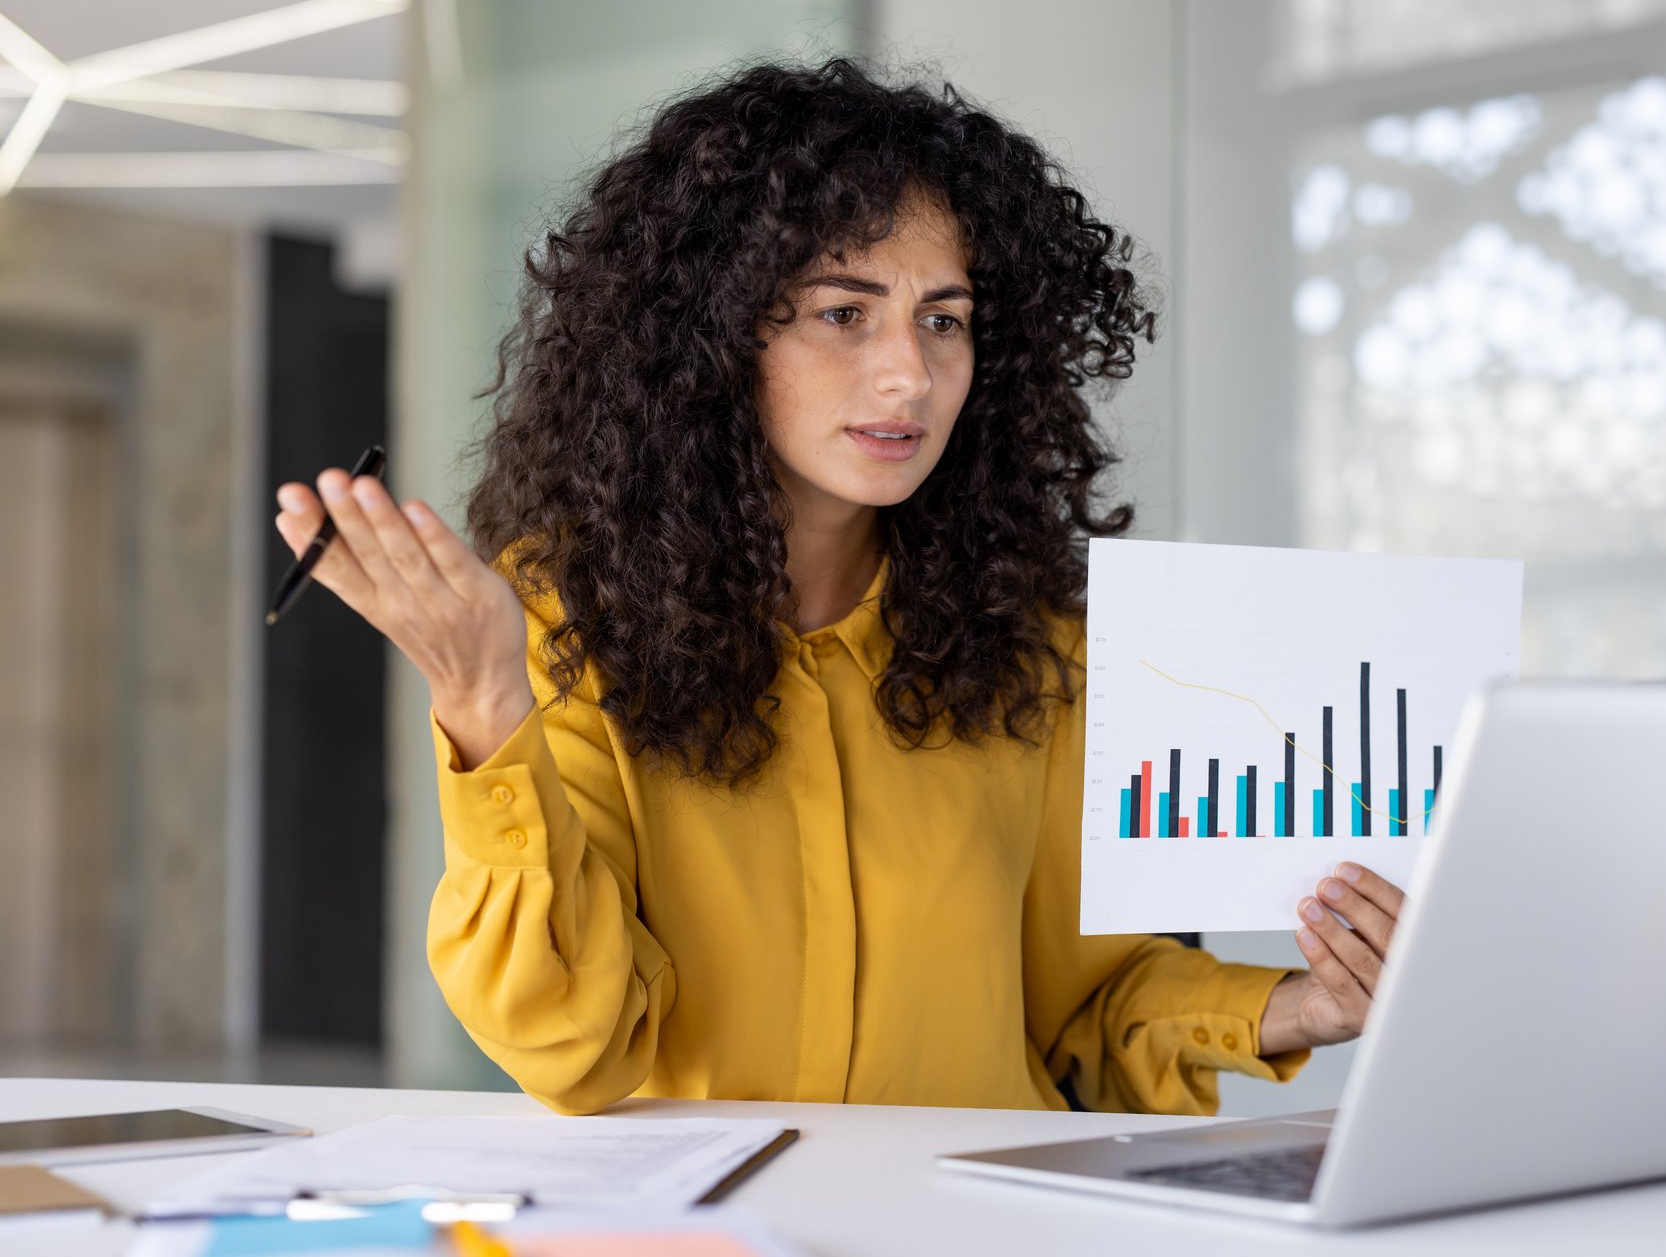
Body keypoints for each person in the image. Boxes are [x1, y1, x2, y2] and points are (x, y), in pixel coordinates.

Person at [271, 57, 1401, 1117]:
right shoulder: (561, 622)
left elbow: (1086, 1005)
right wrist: (485, 704)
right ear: (710, 336)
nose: (909, 373)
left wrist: (1294, 1005)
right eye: (843, 312)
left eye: (944, 320)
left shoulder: (1037, 645)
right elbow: (572, 1041)